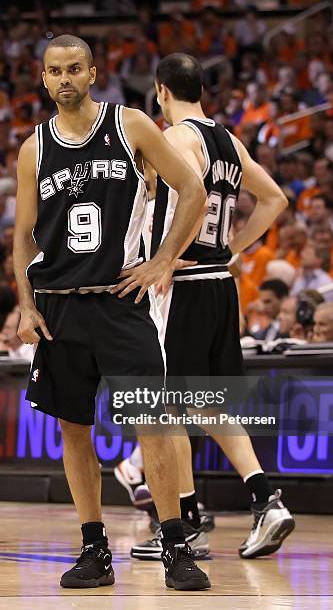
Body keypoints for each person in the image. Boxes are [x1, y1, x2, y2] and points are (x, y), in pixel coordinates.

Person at [13, 35, 210, 591]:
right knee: (75, 431)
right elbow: (23, 238)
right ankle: (94, 549)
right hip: (59, 310)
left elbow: (192, 190)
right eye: (55, 71)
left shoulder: (130, 126)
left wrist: (164, 260)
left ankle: (175, 544)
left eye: (75, 68)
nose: (66, 79)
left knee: (155, 422)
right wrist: (26, 304)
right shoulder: (34, 148)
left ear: (93, 72)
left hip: (121, 302)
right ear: (44, 79)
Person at [120, 53, 294, 561]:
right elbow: (275, 199)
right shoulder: (229, 141)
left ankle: (185, 525)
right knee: (206, 404)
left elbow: (192, 196)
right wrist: (233, 248)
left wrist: (166, 258)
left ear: (161, 92)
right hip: (220, 283)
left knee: (165, 409)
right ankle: (265, 500)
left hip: (186, 283)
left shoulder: (175, 138)